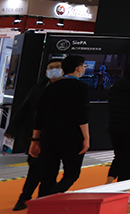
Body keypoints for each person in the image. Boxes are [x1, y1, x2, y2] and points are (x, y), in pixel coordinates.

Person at [31, 55, 91, 197]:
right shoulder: (81, 87)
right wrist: (86, 137)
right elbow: (82, 114)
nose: (84, 69)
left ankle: (41, 203)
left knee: (48, 174)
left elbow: (39, 115)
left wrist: (35, 139)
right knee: (71, 173)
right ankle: (51, 198)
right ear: (78, 68)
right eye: (84, 66)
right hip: (71, 137)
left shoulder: (50, 88)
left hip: (49, 136)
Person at [11, 60, 60, 210]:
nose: (53, 70)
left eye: (57, 67)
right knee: (35, 167)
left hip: (55, 137)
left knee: (50, 170)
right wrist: (12, 130)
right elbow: (24, 109)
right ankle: (25, 197)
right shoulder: (38, 88)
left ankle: (42, 200)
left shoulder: (65, 90)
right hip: (34, 135)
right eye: (50, 68)